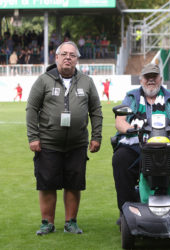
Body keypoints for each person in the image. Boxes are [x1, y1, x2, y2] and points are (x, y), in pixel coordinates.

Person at [26, 41, 103, 235]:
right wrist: (33, 137)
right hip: (48, 143)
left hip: (77, 144)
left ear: (77, 59)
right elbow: (31, 109)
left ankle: (71, 222)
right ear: (57, 57)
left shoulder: (86, 81)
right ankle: (47, 223)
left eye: (72, 55)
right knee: (47, 184)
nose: (68, 57)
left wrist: (96, 136)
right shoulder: (43, 80)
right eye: (64, 54)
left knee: (73, 184)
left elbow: (96, 110)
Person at [112, 63, 170, 222]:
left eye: (154, 77)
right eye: (147, 77)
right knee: (120, 159)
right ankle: (126, 209)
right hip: (138, 145)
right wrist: (130, 129)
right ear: (141, 79)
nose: (151, 80)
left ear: (160, 79)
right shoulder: (132, 97)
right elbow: (120, 121)